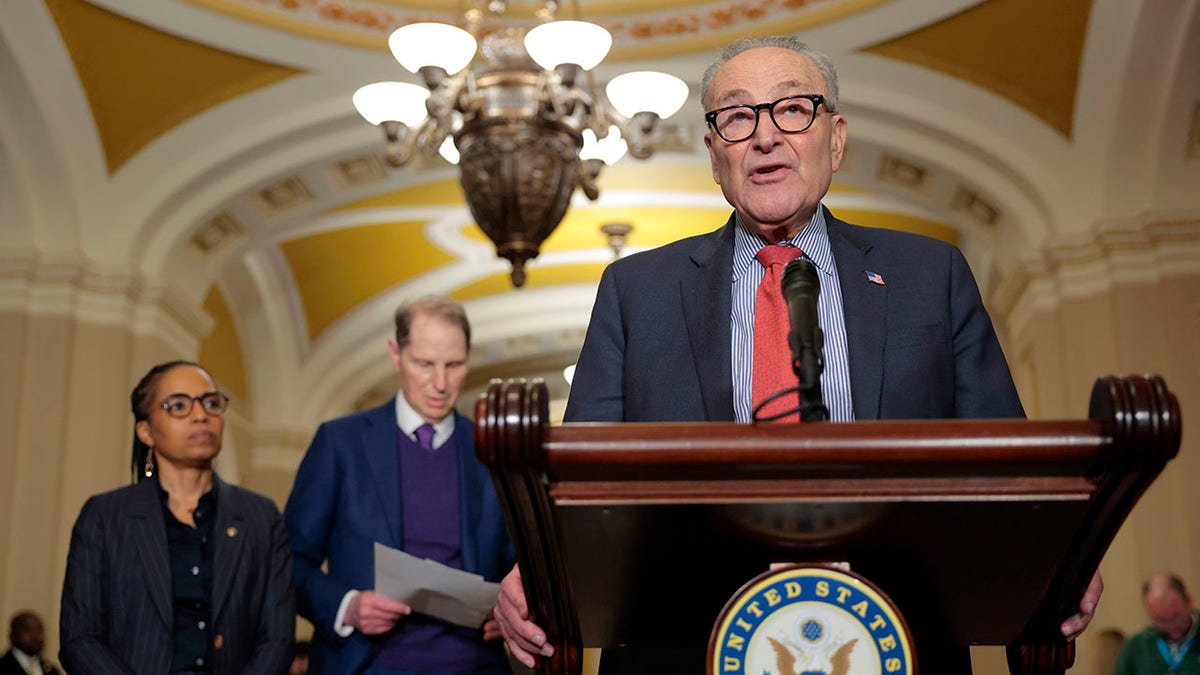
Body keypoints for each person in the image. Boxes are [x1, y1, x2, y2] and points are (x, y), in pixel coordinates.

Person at [494, 34, 1103, 672]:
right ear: (714, 155)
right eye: (737, 116)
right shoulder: (636, 291)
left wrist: (1055, 554)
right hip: (681, 641)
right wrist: (537, 562)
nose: (764, 136)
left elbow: (1004, 468)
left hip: (897, 637)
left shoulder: (931, 277)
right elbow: (583, 483)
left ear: (834, 139)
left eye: (792, 109)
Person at [285, 295, 513, 675]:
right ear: (395, 354)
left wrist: (511, 606)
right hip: (366, 663)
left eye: (454, 365)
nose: (440, 383)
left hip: (475, 664)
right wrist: (347, 605)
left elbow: (528, 566)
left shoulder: (496, 454)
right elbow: (288, 559)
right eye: (424, 364)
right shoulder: (341, 443)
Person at [59, 360, 295, 674]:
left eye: (211, 403)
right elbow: (80, 637)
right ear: (146, 431)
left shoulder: (260, 517)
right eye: (178, 406)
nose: (201, 415)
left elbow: (277, 637)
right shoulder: (105, 517)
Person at [1113, 574, 1198, 674]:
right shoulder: (1136, 647)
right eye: (1162, 621)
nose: (1172, 627)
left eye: (1176, 617)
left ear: (1189, 602)